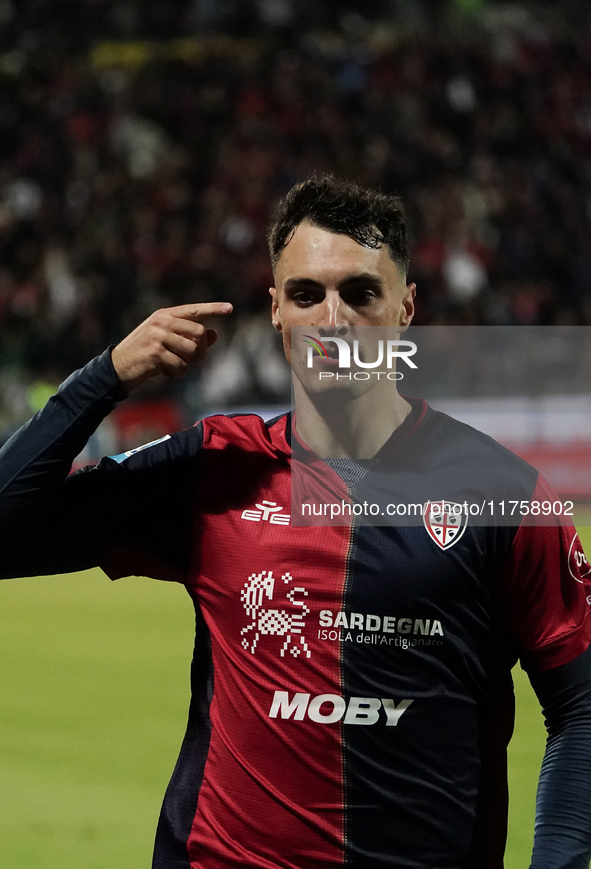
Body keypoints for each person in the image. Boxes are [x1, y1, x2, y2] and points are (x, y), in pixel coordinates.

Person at [1, 175, 591, 869]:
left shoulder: (506, 493)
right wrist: (102, 378)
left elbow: (579, 705)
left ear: (405, 309)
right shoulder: (215, 467)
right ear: (276, 310)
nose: (332, 319)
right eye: (307, 294)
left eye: (359, 293)